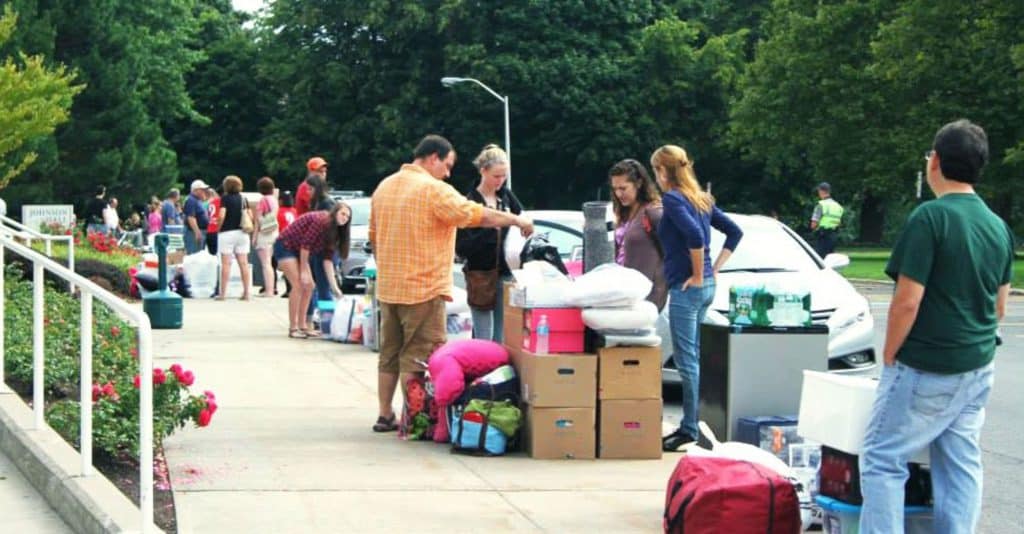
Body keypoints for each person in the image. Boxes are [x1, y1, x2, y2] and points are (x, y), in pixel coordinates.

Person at [859, 120, 1013, 533]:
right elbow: (1000, 306)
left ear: (936, 162)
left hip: (926, 365)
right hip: (977, 367)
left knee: (881, 458)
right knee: (960, 462)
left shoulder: (930, 218)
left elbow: (906, 302)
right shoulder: (997, 226)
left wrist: (890, 353)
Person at [369, 134, 534, 433]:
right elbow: (474, 214)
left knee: (389, 353)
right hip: (424, 288)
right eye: (446, 165)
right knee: (419, 356)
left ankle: (385, 414)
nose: (448, 173)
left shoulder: (385, 186)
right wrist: (516, 220)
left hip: (389, 288)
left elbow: (374, 237)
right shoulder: (433, 190)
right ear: (433, 158)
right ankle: (415, 420)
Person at [652, 145, 743, 452]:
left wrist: (699, 272)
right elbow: (734, 232)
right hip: (704, 289)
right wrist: (713, 268)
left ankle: (690, 427)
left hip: (687, 288)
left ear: (663, 171)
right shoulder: (701, 199)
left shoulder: (674, 198)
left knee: (686, 360)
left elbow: (695, 237)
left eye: (656, 171)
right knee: (695, 358)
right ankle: (700, 423)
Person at [455, 144, 523, 341]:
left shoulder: (507, 197)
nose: (500, 181)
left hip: (507, 273)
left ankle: (495, 369)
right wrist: (490, 230)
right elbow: (462, 247)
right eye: (496, 176)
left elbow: (522, 218)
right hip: (480, 275)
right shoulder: (469, 202)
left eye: (504, 176)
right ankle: (482, 368)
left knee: (501, 336)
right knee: (485, 336)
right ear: (483, 171)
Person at [273, 203, 349, 338]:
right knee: (298, 285)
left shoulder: (335, 232)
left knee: (310, 286)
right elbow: (305, 245)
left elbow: (327, 261)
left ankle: (304, 326)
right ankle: (293, 328)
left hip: (299, 251)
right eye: (343, 213)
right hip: (286, 245)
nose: (345, 218)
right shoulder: (322, 220)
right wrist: (303, 270)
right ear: (335, 212)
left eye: (348, 216)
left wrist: (335, 288)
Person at [609, 159, 667, 311]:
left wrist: (660, 289)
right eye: (615, 188)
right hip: (623, 291)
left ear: (639, 184)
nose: (618, 193)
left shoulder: (654, 212)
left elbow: (671, 254)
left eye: (623, 188)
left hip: (646, 295)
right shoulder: (623, 212)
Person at [216, 175, 254, 301]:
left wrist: (218, 227)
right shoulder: (244, 199)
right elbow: (250, 216)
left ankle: (223, 294)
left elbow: (222, 215)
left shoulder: (225, 199)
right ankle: (247, 293)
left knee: (226, 264)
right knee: (243, 263)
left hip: (227, 233)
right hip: (242, 233)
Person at [253, 176, 279, 297]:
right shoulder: (274, 200)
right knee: (269, 263)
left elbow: (258, 220)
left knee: (265, 264)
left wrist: (254, 236)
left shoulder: (263, 201)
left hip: (264, 234)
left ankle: (268, 290)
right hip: (274, 232)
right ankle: (271, 289)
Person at [809, 182, 843, 257]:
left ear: (821, 191)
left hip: (823, 237)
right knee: (829, 259)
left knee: (819, 261)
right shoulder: (838, 206)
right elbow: (839, 223)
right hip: (833, 237)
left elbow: (813, 225)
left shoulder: (821, 205)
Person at [276, 191, 298, 298]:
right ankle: (292, 288)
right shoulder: (295, 211)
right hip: (295, 240)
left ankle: (287, 288)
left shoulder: (279, 212)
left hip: (283, 239)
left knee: (281, 265)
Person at [183, 180, 210, 254]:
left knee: (199, 254)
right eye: (202, 190)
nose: (204, 191)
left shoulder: (197, 200)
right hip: (193, 232)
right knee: (194, 255)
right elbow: (191, 217)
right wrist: (197, 232)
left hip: (199, 231)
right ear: (196, 190)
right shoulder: (191, 200)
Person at [205, 187, 221, 256]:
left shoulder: (209, 203)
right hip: (217, 230)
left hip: (209, 229)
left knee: (212, 254)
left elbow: (207, 217)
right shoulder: (221, 202)